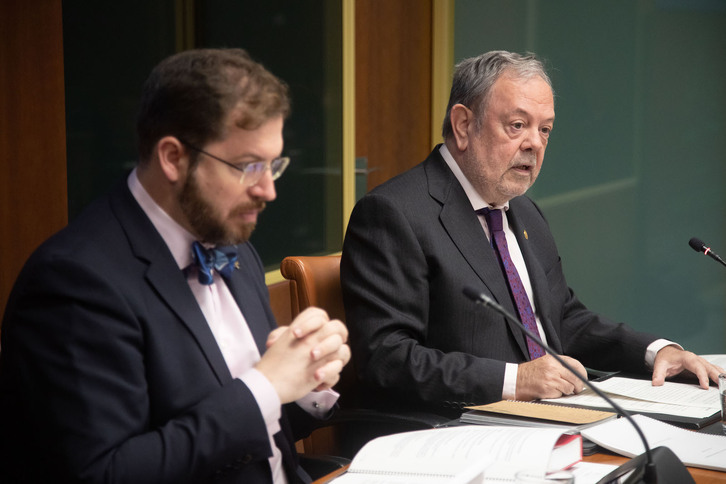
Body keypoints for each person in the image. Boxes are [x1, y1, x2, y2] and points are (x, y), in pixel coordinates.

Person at [0, 48, 350, 483]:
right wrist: (265, 386)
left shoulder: (235, 248)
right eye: (248, 167)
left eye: (273, 165)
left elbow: (248, 435)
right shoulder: (74, 282)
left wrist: (305, 385)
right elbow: (106, 473)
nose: (268, 190)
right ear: (173, 158)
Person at [340, 50, 722, 418]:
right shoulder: (394, 213)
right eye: (517, 125)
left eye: (545, 130)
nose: (535, 144)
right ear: (462, 125)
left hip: (548, 417)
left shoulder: (522, 210)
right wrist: (514, 379)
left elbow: (561, 319)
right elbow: (386, 357)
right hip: (452, 428)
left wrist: (656, 352)